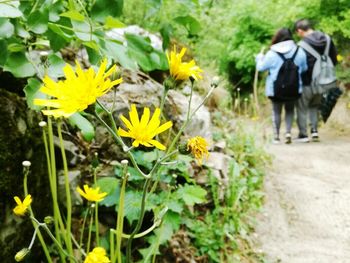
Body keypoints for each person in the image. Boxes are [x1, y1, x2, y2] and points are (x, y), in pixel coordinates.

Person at [256, 28, 308, 144]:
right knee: (290, 110)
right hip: (294, 88)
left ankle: (276, 136)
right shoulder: (299, 51)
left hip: (275, 89)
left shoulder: (272, 53)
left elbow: (260, 68)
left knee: (276, 111)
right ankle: (288, 133)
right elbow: (304, 68)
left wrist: (259, 58)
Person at [294, 19, 338, 142]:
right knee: (314, 106)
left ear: (300, 31)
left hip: (307, 81)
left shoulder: (301, 45)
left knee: (302, 107)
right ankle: (314, 131)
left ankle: (303, 135)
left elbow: (299, 64)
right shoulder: (327, 39)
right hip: (324, 81)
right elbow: (334, 59)